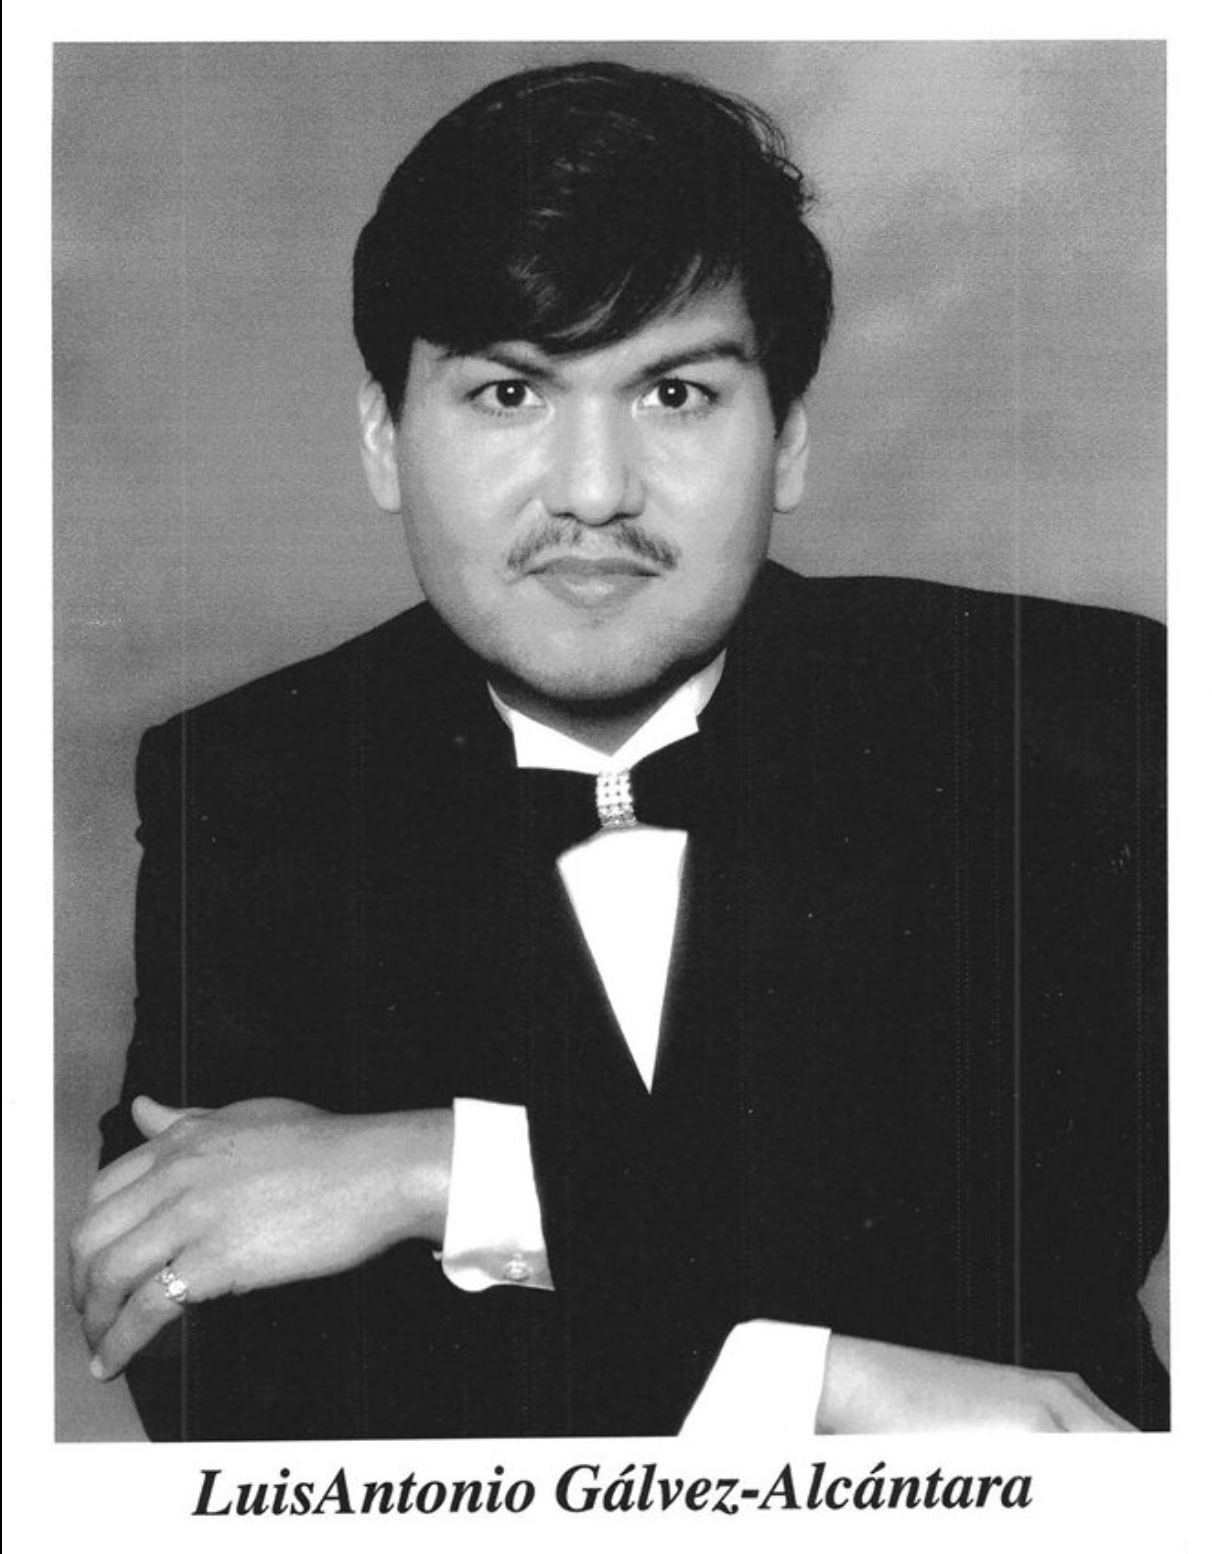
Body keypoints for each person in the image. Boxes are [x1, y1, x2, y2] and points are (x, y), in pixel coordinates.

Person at [70, 60, 1168, 1439]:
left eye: (677, 395)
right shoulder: (253, 780)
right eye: (509, 395)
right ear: (385, 440)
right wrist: (830, 1382)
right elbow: (236, 1373)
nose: (594, 493)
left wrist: (443, 1172)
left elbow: (1023, 1246)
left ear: (788, 444)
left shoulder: (1066, 711)